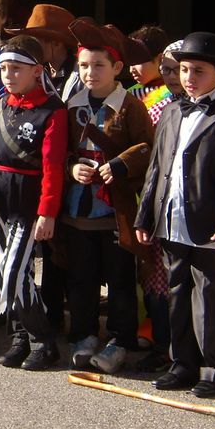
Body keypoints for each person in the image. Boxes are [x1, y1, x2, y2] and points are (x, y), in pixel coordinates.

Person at [135, 32, 215, 398]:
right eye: (184, 70)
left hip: (210, 225)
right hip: (172, 219)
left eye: (198, 71)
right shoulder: (171, 111)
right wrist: (144, 216)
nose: (188, 77)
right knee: (177, 292)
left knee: (212, 298)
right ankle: (182, 362)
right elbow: (156, 166)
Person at [62, 19, 154, 373]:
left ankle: (119, 338)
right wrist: (73, 168)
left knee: (119, 279)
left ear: (117, 68)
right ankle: (84, 333)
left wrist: (120, 163)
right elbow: (62, 151)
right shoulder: (72, 105)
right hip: (79, 210)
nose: (90, 72)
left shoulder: (131, 106)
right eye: (83, 65)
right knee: (81, 276)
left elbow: (148, 146)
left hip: (115, 208)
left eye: (98, 65)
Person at [0, 36, 68, 370]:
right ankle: (21, 337)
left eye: (16, 68)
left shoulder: (53, 110)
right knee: (9, 275)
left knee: (14, 273)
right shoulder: (2, 104)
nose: (8, 75)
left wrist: (47, 212)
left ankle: (44, 341)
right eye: (3, 68)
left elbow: (53, 166)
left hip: (28, 196)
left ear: (36, 71)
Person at [127, 24, 178, 372]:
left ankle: (170, 344)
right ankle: (152, 334)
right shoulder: (133, 93)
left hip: (168, 197)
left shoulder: (169, 99)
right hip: (142, 193)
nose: (132, 66)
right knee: (148, 271)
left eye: (140, 60)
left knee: (166, 273)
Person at [5, 4, 83, 103]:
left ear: (56, 44)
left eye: (34, 41)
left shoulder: (81, 75)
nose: (29, 46)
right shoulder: (33, 70)